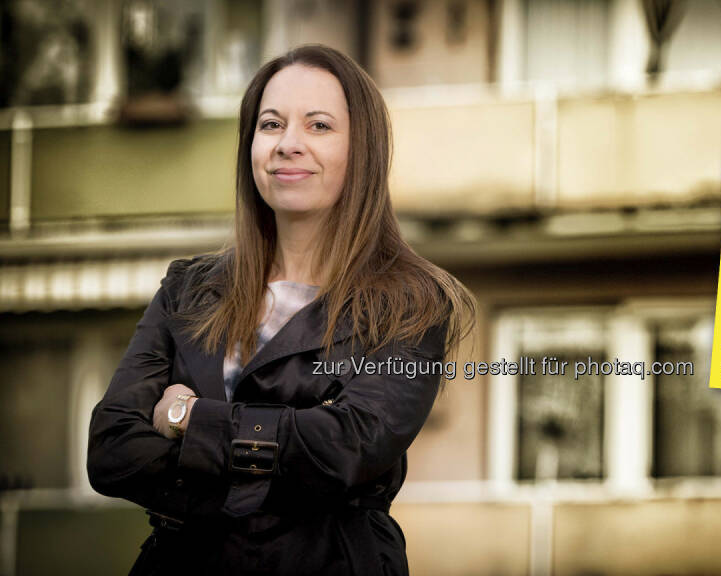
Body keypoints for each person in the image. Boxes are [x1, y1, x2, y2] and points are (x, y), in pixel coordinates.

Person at [87, 44, 475, 576]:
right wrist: (285, 452)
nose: (288, 144)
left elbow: (348, 447)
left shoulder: (412, 304)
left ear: (362, 150)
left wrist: (187, 417)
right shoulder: (188, 288)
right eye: (271, 124)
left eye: (318, 126)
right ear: (250, 146)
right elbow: (110, 450)